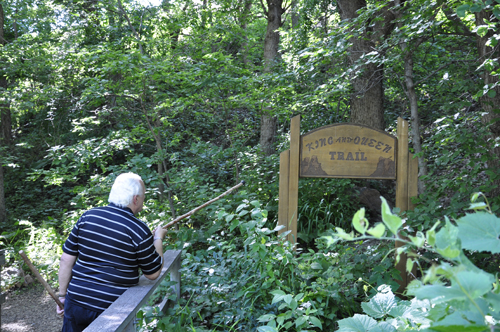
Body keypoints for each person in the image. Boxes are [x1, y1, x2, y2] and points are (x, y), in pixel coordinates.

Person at [56, 172, 168, 331]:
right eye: (143, 196)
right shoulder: (138, 230)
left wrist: (62, 296)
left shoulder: (87, 217)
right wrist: (158, 238)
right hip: (112, 309)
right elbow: (153, 273)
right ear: (135, 198)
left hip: (76, 301)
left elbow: (66, 260)